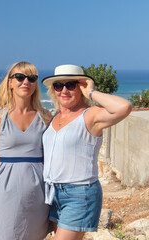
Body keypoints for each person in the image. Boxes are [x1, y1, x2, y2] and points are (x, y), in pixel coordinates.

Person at [41, 64, 132, 240]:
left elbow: (124, 107)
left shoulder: (91, 115)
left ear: (80, 87)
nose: (64, 90)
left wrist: (91, 92)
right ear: (53, 90)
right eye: (59, 85)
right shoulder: (54, 117)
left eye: (71, 85)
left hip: (79, 193)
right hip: (53, 193)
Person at [0, 61, 51, 240]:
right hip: (2, 193)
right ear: (10, 82)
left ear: (36, 84)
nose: (25, 82)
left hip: (36, 196)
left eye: (31, 78)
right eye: (19, 77)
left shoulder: (46, 118)